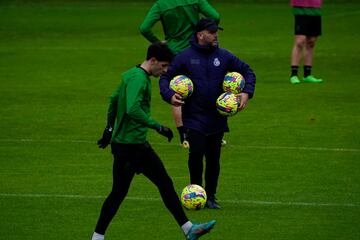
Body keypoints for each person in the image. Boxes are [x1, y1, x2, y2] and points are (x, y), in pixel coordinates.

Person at [91, 42, 216, 240]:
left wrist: (109, 128)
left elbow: (114, 100)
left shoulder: (130, 74)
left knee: (154, 185)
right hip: (132, 146)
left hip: (129, 144)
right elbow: (132, 109)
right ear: (153, 60)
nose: (165, 71)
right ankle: (188, 229)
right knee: (125, 191)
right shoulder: (139, 80)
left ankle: (188, 228)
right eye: (164, 66)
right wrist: (157, 126)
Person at [159, 19, 256, 209]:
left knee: (213, 158)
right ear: (200, 34)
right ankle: (196, 194)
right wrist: (170, 95)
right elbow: (165, 77)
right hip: (194, 116)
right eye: (211, 32)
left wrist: (247, 92)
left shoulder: (224, 56)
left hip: (217, 116)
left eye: (216, 31)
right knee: (196, 154)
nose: (215, 35)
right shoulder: (184, 57)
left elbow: (248, 71)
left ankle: (211, 196)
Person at [139, 0, 220, 146]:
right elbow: (215, 16)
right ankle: (207, 131)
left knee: (177, 91)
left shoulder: (161, 5)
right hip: (195, 51)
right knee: (202, 89)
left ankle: (184, 136)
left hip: (174, 52)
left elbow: (144, 28)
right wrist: (201, 32)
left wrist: (159, 44)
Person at [290, 0, 323, 84]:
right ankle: (294, 75)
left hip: (316, 8)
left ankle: (307, 75)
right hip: (301, 7)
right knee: (300, 41)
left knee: (311, 41)